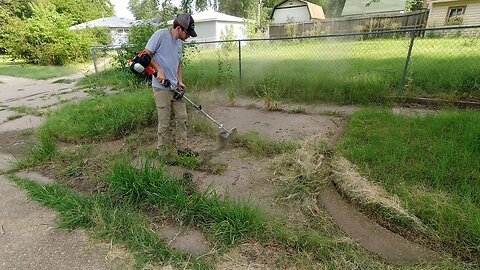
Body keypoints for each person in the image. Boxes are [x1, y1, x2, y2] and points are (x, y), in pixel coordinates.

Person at [144, 13, 197, 154]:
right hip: (161, 88)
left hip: (175, 87)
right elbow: (145, 55)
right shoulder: (161, 35)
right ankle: (163, 153)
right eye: (188, 33)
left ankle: (182, 149)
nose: (189, 36)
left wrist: (179, 81)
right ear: (179, 28)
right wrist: (159, 70)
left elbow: (178, 64)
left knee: (182, 118)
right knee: (165, 121)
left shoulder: (180, 43)